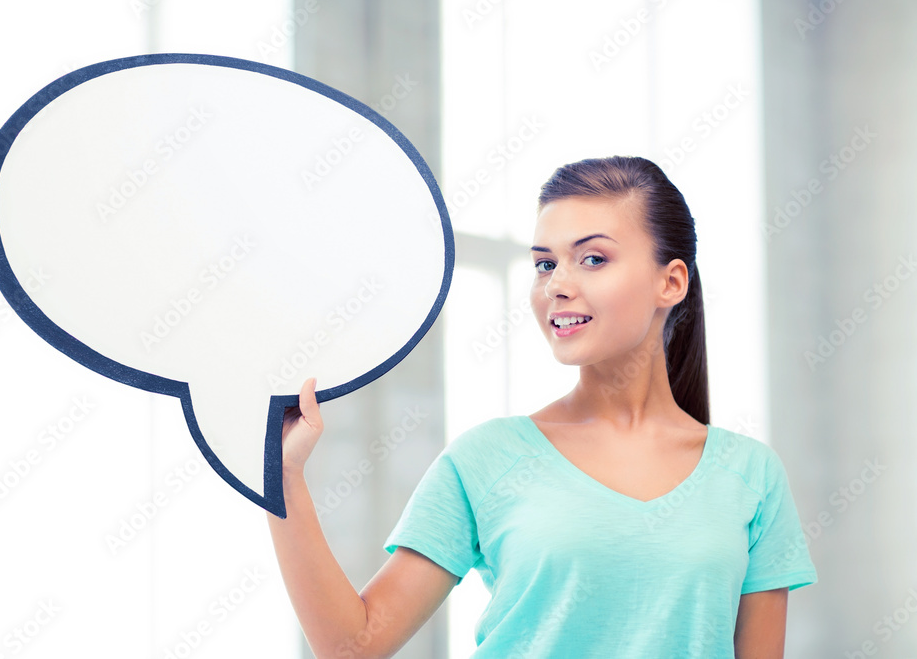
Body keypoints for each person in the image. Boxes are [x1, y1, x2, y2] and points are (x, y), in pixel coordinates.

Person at [268, 155, 818, 658]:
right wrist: (284, 475)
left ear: (670, 282)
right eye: (544, 264)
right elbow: (351, 646)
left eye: (593, 258)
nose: (557, 285)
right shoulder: (487, 458)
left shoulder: (750, 476)